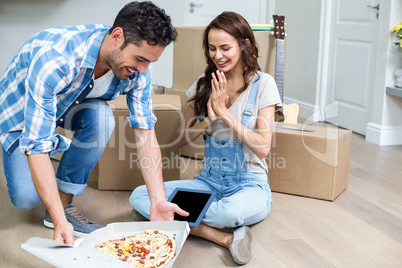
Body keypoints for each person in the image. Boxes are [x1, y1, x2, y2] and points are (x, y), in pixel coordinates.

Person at [0, 1, 188, 246]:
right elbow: (36, 144)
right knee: (26, 198)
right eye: (140, 59)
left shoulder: (138, 71)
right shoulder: (57, 59)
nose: (142, 70)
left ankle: (64, 202)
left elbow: (145, 133)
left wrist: (158, 201)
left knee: (102, 117)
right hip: (20, 116)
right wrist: (60, 224)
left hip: (69, 104)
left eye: (149, 62)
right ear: (117, 36)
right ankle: (56, 207)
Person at [130, 11, 282, 265]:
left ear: (244, 45)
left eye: (225, 48)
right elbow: (180, 140)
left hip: (248, 185)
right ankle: (223, 238)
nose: (217, 56)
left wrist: (223, 113)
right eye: (212, 48)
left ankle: (167, 219)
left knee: (229, 213)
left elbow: (263, 147)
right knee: (140, 196)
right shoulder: (203, 84)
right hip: (208, 183)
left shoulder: (263, 84)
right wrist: (205, 118)